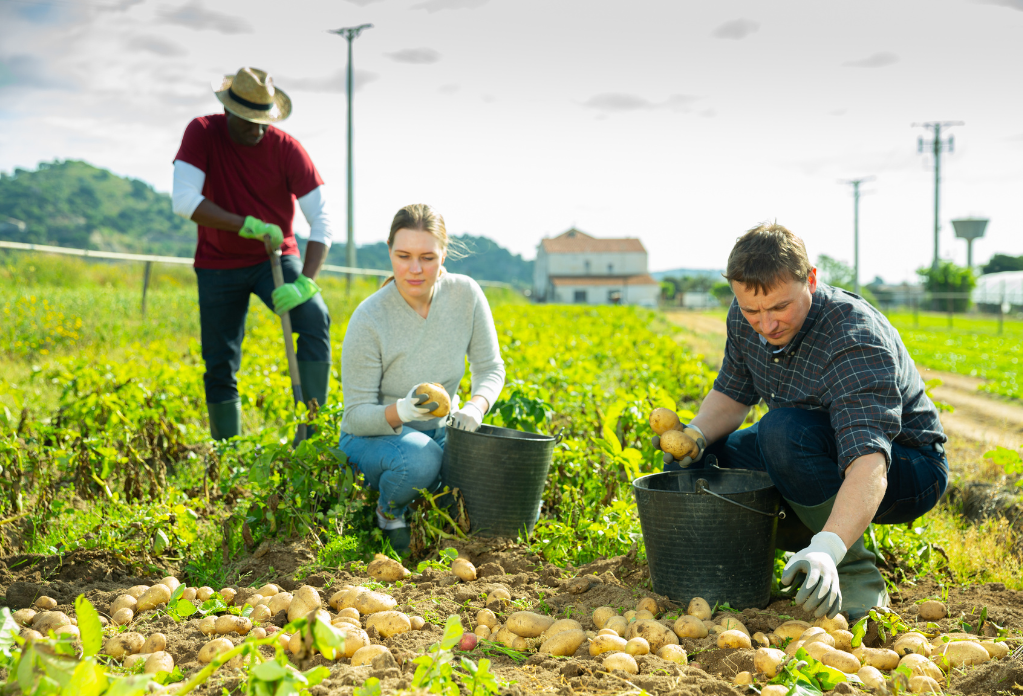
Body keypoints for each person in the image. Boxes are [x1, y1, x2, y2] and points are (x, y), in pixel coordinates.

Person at [654, 222, 948, 620]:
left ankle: (852, 569)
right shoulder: (746, 319)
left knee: (781, 432)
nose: (767, 323)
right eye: (752, 309)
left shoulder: (853, 336)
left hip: (906, 466)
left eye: (780, 307)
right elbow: (732, 394)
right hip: (816, 444)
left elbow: (869, 462)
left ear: (810, 279)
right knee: (715, 460)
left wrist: (831, 546)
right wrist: (696, 436)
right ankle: (742, 567)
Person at [171, 67, 334, 440]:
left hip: (274, 258)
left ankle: (312, 435)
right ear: (229, 111)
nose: (259, 130)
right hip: (217, 261)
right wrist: (247, 225)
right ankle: (227, 448)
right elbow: (184, 200)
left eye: (265, 121)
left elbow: (322, 219)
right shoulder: (202, 133)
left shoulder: (287, 149)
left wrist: (307, 282)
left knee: (314, 317)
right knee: (219, 360)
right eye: (249, 121)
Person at [338, 204, 506, 553]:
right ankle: (389, 513)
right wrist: (402, 410)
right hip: (375, 437)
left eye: (427, 257)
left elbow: (490, 368)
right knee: (421, 459)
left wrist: (476, 407)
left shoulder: (465, 295)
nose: (415, 269)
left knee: (488, 465)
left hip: (442, 429)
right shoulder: (370, 317)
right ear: (389, 251)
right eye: (403, 256)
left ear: (444, 254)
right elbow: (355, 416)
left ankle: (430, 516)